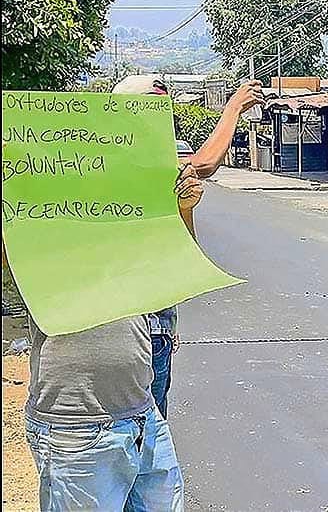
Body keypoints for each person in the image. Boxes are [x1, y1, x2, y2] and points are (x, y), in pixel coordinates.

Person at [24, 166, 203, 511]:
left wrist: (183, 210)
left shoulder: (125, 213)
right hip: (75, 427)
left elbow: (174, 272)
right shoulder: (36, 215)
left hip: (141, 413)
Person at [111, 75, 264, 418]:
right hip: (111, 328)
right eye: (147, 110)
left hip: (153, 328)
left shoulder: (163, 166)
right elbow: (207, 162)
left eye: (161, 112)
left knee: (148, 431)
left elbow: (184, 247)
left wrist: (185, 209)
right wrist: (234, 108)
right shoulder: (105, 169)